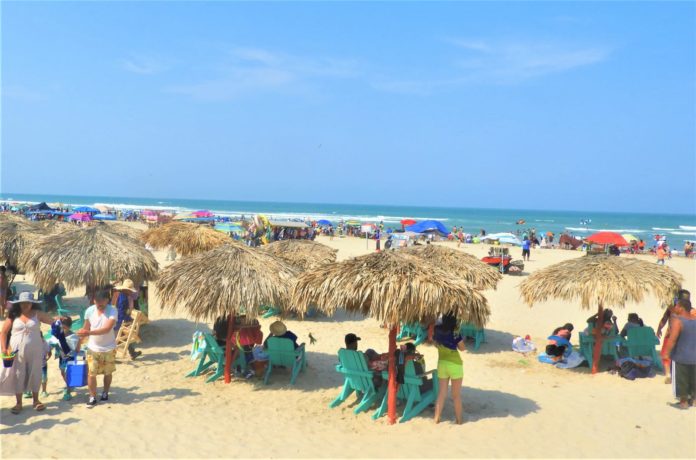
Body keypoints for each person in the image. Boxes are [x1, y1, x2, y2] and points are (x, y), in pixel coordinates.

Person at [0, 292, 56, 414]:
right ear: (19, 304)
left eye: (28, 303)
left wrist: (59, 321)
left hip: (35, 349)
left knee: (35, 372)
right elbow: (3, 332)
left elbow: (53, 322)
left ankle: (36, 401)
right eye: (23, 303)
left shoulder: (38, 314)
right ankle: (18, 403)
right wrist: (3, 348)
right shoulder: (13, 315)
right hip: (16, 351)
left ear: (32, 303)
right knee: (18, 374)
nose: (25, 305)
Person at [77, 288, 118, 407]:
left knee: (107, 372)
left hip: (109, 347)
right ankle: (92, 397)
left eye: (102, 301)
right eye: (97, 301)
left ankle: (105, 393)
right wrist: (79, 342)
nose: (99, 303)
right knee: (91, 373)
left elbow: (107, 329)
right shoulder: (89, 311)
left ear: (107, 300)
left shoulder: (112, 310)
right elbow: (85, 328)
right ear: (93, 300)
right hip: (92, 347)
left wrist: (89, 333)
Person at [661, 299, 696, 409]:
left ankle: (683, 402)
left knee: (681, 380)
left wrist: (666, 353)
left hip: (681, 357)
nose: (675, 308)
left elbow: (672, 339)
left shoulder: (678, 321)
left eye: (676, 306)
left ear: (681, 308)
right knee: (694, 380)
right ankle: (694, 401)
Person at [433, 314, 465, 424]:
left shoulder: (437, 330)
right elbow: (462, 348)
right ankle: (459, 420)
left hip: (442, 363)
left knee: (442, 393)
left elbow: (435, 344)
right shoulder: (455, 333)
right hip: (455, 365)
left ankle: (436, 418)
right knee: (456, 395)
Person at [657, 289, 691, 383]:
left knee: (667, 355)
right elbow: (664, 319)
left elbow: (664, 319)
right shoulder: (688, 310)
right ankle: (671, 375)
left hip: (674, 335)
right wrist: (659, 329)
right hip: (678, 336)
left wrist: (659, 329)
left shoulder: (672, 309)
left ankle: (670, 375)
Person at [112, 279, 141, 359]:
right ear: (126, 290)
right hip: (120, 320)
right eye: (130, 290)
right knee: (118, 338)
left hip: (115, 318)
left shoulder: (118, 294)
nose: (131, 292)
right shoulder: (124, 298)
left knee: (127, 336)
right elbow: (121, 311)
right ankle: (112, 356)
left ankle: (132, 353)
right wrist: (128, 319)